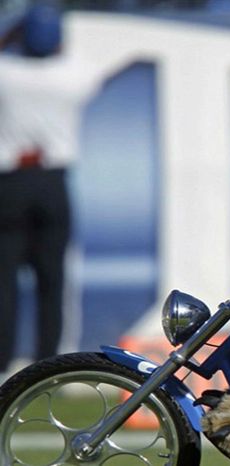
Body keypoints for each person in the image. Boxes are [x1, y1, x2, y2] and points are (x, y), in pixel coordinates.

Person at [0, 5, 103, 373]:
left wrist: (10, 33)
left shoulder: (6, 73)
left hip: (10, 182)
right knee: (51, 279)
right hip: (52, 182)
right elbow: (89, 70)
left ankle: (3, 359)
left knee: (5, 280)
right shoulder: (72, 76)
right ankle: (49, 362)